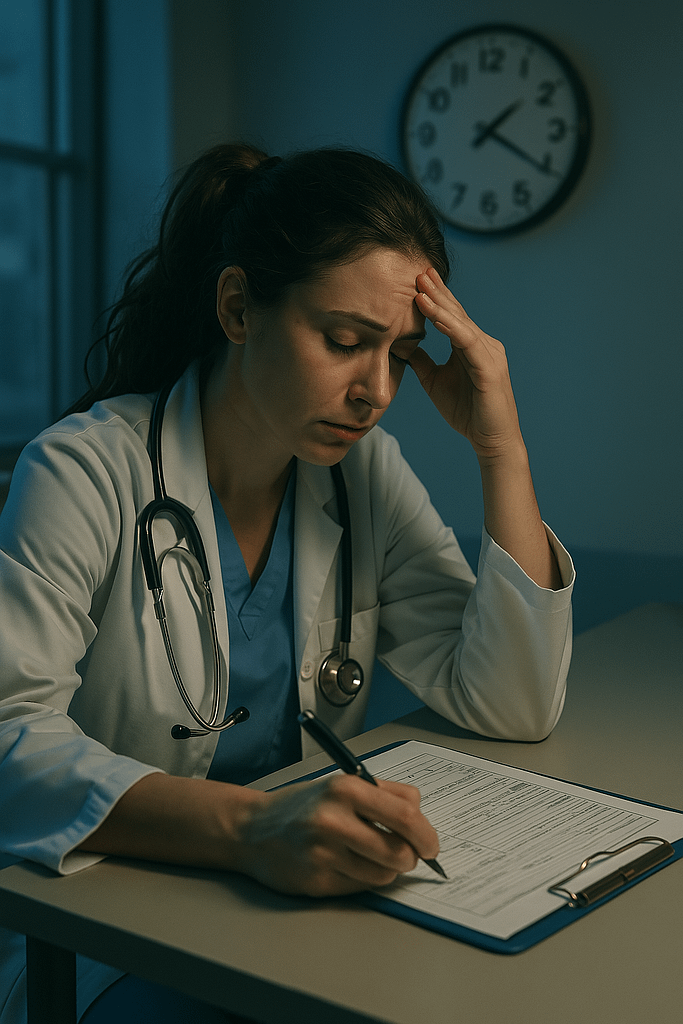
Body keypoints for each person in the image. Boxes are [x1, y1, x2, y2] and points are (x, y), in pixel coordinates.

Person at [0, 144, 574, 1022]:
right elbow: (9, 745)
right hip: (105, 922)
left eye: (399, 354)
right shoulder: (85, 471)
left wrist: (502, 447)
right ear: (238, 307)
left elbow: (513, 701)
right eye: (345, 341)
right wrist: (249, 830)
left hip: (301, 912)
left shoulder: (363, 477)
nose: (374, 391)